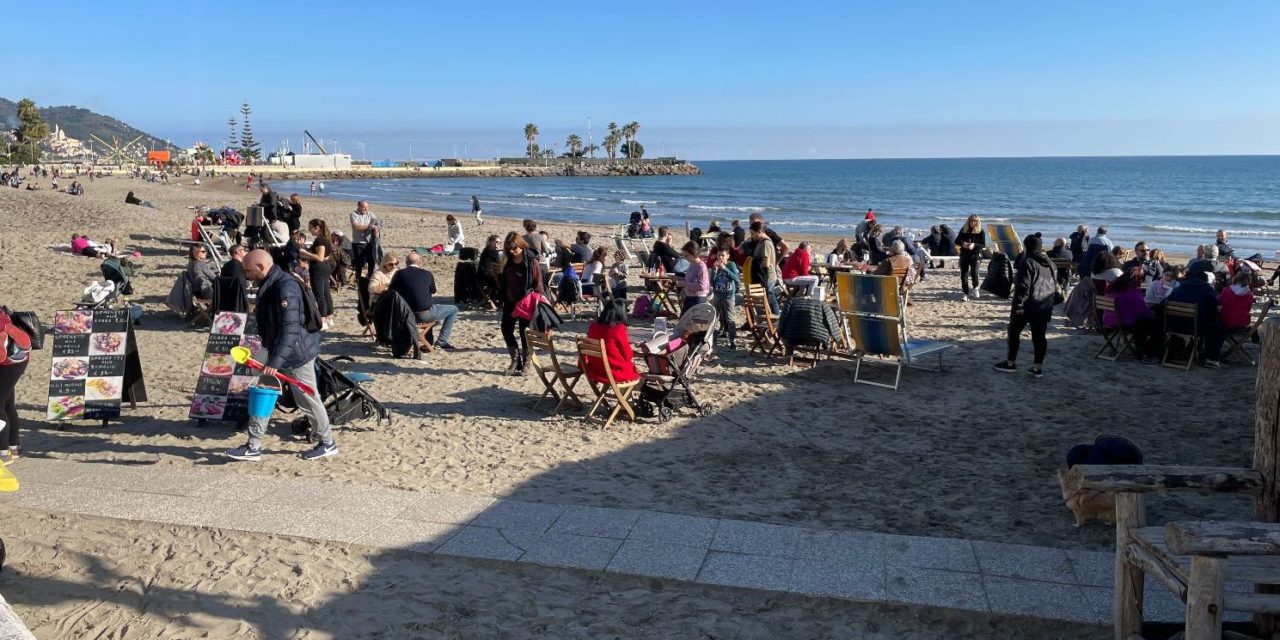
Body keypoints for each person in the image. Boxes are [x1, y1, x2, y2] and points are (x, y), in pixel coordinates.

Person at [226, 250, 337, 461]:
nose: (245, 274)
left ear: (261, 267)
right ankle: (253, 445)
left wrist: (275, 362)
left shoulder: (286, 287)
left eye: (248, 270)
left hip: (296, 353)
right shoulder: (270, 282)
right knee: (262, 391)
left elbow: (290, 329)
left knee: (307, 397)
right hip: (275, 348)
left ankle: (327, 442)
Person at [994, 234, 1056, 378]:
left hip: (1029, 305)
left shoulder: (1028, 262)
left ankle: (1010, 363)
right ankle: (1037, 368)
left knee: (1014, 332)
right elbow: (1053, 283)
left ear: (1027, 246)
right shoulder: (1049, 262)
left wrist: (1019, 305)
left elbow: (1023, 287)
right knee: (1039, 337)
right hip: (1044, 304)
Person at [389, 252, 458, 350]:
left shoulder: (399, 273)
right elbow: (433, 290)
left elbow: (391, 291)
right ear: (420, 262)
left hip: (404, 314)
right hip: (423, 314)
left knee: (429, 306)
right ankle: (441, 341)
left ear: (406, 263)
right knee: (453, 309)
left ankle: (428, 339)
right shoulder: (427, 274)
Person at [500, 232, 543, 375]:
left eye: (515, 248)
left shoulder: (531, 261)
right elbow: (503, 280)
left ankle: (526, 363)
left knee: (525, 332)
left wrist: (537, 301)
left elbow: (538, 284)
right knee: (506, 329)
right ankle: (514, 360)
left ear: (521, 245)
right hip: (510, 300)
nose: (512, 251)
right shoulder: (507, 260)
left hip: (526, 301)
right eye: (509, 248)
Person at [1167, 270, 1224, 368]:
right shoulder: (1207, 289)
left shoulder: (1178, 288)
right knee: (1217, 328)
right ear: (1205, 281)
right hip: (1195, 327)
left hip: (1174, 326)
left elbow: (1165, 302)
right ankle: (1211, 358)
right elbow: (1214, 312)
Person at [1103, 267, 1161, 362]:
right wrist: (1152, 314)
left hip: (1109, 319)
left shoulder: (1114, 287)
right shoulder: (1130, 290)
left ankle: (1142, 348)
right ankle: (1149, 351)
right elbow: (1140, 310)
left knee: (1143, 322)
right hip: (1123, 322)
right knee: (1152, 323)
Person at [582, 301, 640, 386]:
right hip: (614, 373)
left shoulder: (593, 327)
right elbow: (628, 356)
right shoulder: (618, 329)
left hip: (596, 370)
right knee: (631, 367)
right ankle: (624, 399)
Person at [0, 309, 32, 464]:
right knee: (7, 404)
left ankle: (3, 453)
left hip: (8, 362)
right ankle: (14, 447)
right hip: (18, 357)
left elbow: (0, 353)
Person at [298, 219, 335, 329]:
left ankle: (323, 319)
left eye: (311, 228)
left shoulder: (320, 240)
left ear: (317, 228)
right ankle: (329, 317)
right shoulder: (326, 238)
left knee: (320, 294)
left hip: (319, 268)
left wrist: (304, 253)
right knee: (326, 293)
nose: (309, 230)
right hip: (325, 267)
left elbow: (320, 257)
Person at [350, 200, 380, 312]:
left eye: (367, 208)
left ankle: (370, 280)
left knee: (371, 263)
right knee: (358, 265)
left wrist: (375, 228)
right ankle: (358, 282)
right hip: (358, 243)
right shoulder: (353, 214)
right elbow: (356, 227)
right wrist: (369, 226)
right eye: (363, 208)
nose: (365, 210)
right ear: (358, 207)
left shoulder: (371, 214)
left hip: (369, 243)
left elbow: (376, 224)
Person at [709, 248, 742, 349]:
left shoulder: (731, 265)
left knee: (729, 318)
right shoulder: (716, 266)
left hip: (728, 296)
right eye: (719, 255)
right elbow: (712, 283)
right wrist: (714, 270)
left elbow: (736, 279)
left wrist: (724, 269)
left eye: (723, 255)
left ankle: (732, 340)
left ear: (727, 256)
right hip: (718, 295)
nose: (720, 257)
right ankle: (712, 339)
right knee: (714, 317)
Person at [749, 220, 780, 314]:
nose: (752, 236)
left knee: (770, 297)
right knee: (769, 297)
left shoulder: (766, 243)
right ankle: (772, 317)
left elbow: (766, 263)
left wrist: (755, 263)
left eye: (753, 233)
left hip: (767, 276)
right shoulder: (760, 242)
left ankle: (776, 318)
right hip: (763, 275)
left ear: (760, 232)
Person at [956, 214, 985, 300]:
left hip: (975, 255)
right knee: (964, 274)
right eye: (971, 220)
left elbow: (983, 244)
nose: (972, 222)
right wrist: (963, 244)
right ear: (968, 221)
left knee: (974, 272)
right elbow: (957, 241)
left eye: (975, 221)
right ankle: (965, 293)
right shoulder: (964, 230)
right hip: (964, 254)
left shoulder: (981, 231)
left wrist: (974, 245)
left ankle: (975, 287)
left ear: (977, 222)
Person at [680, 241, 710, 314]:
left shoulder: (701, 266)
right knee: (683, 320)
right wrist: (677, 278)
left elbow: (702, 286)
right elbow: (690, 279)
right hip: (690, 297)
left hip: (698, 298)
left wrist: (684, 284)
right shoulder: (692, 264)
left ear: (693, 254)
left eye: (687, 256)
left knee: (694, 322)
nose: (685, 258)